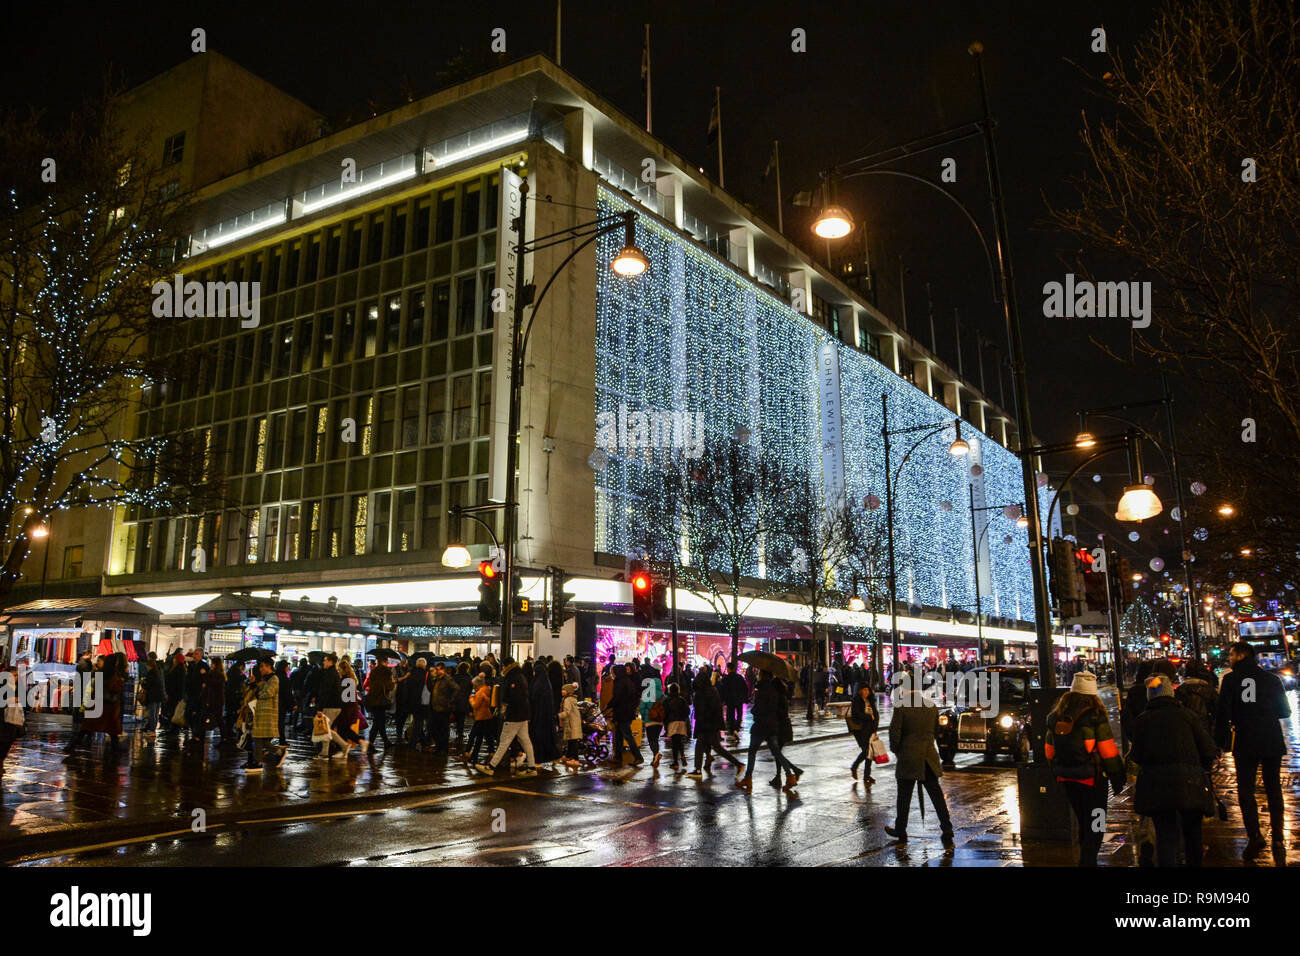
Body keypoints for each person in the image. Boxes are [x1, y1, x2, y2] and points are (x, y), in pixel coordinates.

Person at [1131, 674, 1218, 866]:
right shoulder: (1187, 715)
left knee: (1166, 835)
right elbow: (1209, 749)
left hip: (1157, 786)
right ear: (1171, 694)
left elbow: (1136, 755)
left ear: (1149, 696)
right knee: (1193, 833)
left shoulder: (1143, 720)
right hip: (1190, 782)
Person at [1216, 641, 1291, 859]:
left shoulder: (1230, 680)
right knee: (1273, 788)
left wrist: (1220, 741)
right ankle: (1278, 839)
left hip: (1245, 741)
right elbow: (1285, 711)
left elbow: (1223, 715)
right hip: (1271, 739)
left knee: (1246, 790)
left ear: (1241, 655)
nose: (1229, 658)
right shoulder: (1272, 679)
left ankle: (1255, 835)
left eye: (1231, 654)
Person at [1044, 671, 1125, 866]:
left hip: (1068, 780)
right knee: (1097, 824)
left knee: (1082, 820)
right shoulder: (1096, 715)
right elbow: (1108, 751)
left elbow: (1048, 752)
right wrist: (1118, 778)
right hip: (1093, 780)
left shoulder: (1056, 716)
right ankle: (1088, 862)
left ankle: (1085, 858)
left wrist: (1059, 771)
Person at [884, 682, 954, 849]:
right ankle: (947, 828)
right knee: (936, 796)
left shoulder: (902, 707)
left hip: (908, 757)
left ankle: (901, 830)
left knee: (904, 797)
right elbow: (937, 731)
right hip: (928, 757)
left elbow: (895, 734)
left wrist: (898, 751)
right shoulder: (930, 707)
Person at [736, 670, 802, 791]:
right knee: (777, 752)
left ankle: (748, 778)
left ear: (762, 676)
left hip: (761, 725)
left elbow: (760, 708)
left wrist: (753, 710)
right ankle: (790, 775)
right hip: (771, 725)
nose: (757, 676)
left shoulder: (762, 690)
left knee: (752, 752)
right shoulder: (773, 690)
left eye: (759, 674)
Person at [475, 656, 538, 777]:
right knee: (525, 741)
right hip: (523, 714)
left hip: (514, 715)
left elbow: (512, 697)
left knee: (504, 741)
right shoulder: (520, 675)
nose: (502, 668)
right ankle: (532, 767)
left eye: (503, 666)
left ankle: (491, 766)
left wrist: (505, 710)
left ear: (507, 666)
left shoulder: (512, 677)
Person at [687, 668, 745, 779]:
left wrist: (702, 717)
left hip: (706, 724)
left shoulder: (703, 693)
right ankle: (698, 768)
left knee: (713, 747)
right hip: (710, 724)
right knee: (705, 746)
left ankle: (738, 764)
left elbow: (704, 709)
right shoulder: (711, 691)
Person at [74, 653, 126, 755]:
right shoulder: (112, 674)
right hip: (108, 705)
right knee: (110, 728)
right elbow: (113, 688)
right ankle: (115, 749)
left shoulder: (101, 673)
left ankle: (73, 744)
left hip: (100, 705)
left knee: (89, 727)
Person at [244, 658, 288, 772]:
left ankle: (258, 762)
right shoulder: (264, 679)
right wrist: (253, 683)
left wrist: (259, 692)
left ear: (268, 666)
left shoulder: (274, 678)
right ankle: (276, 753)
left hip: (268, 712)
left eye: (262, 666)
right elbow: (258, 690)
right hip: (261, 711)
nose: (260, 669)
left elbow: (269, 692)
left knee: (258, 737)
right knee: (258, 738)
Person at [607, 664, 643, 766]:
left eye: (613, 673)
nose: (612, 675)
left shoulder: (620, 682)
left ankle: (638, 757)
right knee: (619, 735)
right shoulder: (627, 681)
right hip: (627, 712)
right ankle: (618, 757)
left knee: (627, 735)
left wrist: (610, 705)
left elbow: (617, 697)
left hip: (622, 712)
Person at [1175, 661, 1219, 740]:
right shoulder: (1208, 689)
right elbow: (1217, 711)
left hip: (1186, 729)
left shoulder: (1180, 689)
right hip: (1205, 727)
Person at [529, 664, 561, 769]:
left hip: (539, 716)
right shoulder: (547, 683)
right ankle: (553, 757)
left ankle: (539, 759)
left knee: (538, 738)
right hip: (547, 716)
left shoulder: (538, 684)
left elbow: (534, 699)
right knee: (548, 738)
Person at [331, 658, 364, 757]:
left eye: (339, 669)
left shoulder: (345, 681)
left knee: (343, 730)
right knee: (343, 731)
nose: (338, 671)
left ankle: (361, 743)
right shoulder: (351, 680)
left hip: (346, 710)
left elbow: (345, 699)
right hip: (350, 709)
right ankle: (345, 750)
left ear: (344, 670)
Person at [848, 683, 880, 783]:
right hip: (860, 730)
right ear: (860, 690)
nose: (866, 692)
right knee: (866, 751)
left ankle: (867, 775)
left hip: (870, 729)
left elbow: (875, 714)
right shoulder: (856, 700)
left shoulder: (870, 700)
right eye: (864, 690)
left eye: (868, 690)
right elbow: (857, 715)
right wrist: (869, 717)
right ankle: (855, 767)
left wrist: (875, 727)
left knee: (869, 753)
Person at [315, 653, 344, 758]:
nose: (324, 662)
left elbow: (325, 692)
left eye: (325, 660)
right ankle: (325, 752)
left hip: (330, 705)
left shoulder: (329, 674)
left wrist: (320, 708)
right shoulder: (332, 673)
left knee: (325, 729)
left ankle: (341, 747)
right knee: (326, 729)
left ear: (330, 662)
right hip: (335, 705)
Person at [428, 661, 458, 755]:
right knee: (433, 727)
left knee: (443, 729)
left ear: (443, 670)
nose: (436, 671)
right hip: (435, 707)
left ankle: (443, 749)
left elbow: (456, 689)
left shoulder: (447, 679)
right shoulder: (436, 679)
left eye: (438, 669)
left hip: (444, 708)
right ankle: (439, 746)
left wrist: (450, 701)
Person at [364, 660, 395, 749]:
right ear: (384, 662)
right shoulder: (386, 672)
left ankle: (385, 741)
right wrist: (392, 682)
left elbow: (368, 684)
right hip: (381, 700)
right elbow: (390, 686)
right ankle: (370, 744)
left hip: (373, 699)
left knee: (379, 721)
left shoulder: (373, 672)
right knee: (378, 722)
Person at [639, 664, 665, 767]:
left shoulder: (647, 693)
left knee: (651, 740)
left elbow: (642, 707)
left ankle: (656, 754)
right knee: (656, 738)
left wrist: (645, 716)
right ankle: (655, 756)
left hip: (650, 720)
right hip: (659, 721)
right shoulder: (663, 695)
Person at [466, 674, 494, 765]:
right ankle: (475, 755)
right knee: (482, 737)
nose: (473, 686)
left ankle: (469, 753)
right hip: (487, 716)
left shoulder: (479, 693)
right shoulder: (487, 689)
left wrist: (471, 699)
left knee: (473, 735)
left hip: (480, 717)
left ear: (477, 684)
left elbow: (475, 705)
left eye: (474, 684)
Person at [184, 649, 210, 744]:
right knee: (189, 714)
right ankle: (195, 733)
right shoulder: (191, 665)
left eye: (197, 654)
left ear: (201, 655)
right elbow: (188, 678)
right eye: (194, 654)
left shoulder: (204, 666)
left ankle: (198, 735)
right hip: (191, 693)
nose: (194, 656)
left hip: (199, 695)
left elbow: (207, 679)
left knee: (198, 715)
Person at [664, 682, 690, 771]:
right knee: (679, 740)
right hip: (681, 722)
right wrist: (683, 717)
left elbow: (665, 712)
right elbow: (687, 710)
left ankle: (675, 762)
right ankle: (682, 755)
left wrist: (665, 723)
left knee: (674, 743)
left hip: (672, 723)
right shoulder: (682, 699)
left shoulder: (668, 700)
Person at [720, 661, 748, 740]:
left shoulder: (726, 678)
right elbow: (745, 688)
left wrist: (723, 700)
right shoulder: (739, 677)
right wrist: (744, 698)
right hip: (739, 700)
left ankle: (732, 730)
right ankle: (736, 728)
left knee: (731, 715)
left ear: (728, 669)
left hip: (730, 700)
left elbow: (723, 690)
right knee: (739, 715)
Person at [140, 657, 165, 742]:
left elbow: (147, 685)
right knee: (156, 713)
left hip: (153, 696)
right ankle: (153, 730)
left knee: (152, 713)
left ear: (149, 666)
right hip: (159, 696)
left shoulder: (150, 674)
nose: (146, 667)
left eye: (147, 665)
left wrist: (143, 683)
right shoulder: (158, 673)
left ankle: (152, 730)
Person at [558, 682, 583, 768]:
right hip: (573, 722)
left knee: (573, 741)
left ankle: (575, 760)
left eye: (564, 690)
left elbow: (567, 712)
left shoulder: (568, 700)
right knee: (571, 740)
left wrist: (558, 715)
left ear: (568, 691)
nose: (562, 691)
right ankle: (568, 756)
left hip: (572, 723)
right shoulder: (571, 698)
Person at [204, 657, 226, 744]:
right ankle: (224, 737)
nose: (211, 665)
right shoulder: (219, 674)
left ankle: (224, 737)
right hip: (216, 700)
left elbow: (213, 685)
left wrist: (205, 676)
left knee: (218, 719)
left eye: (212, 663)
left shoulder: (216, 675)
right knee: (218, 719)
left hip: (215, 700)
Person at [452, 661, 472, 750]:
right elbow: (470, 689)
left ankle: (457, 732)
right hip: (464, 701)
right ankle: (460, 733)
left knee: (455, 717)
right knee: (461, 719)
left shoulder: (455, 677)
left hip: (455, 701)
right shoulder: (469, 678)